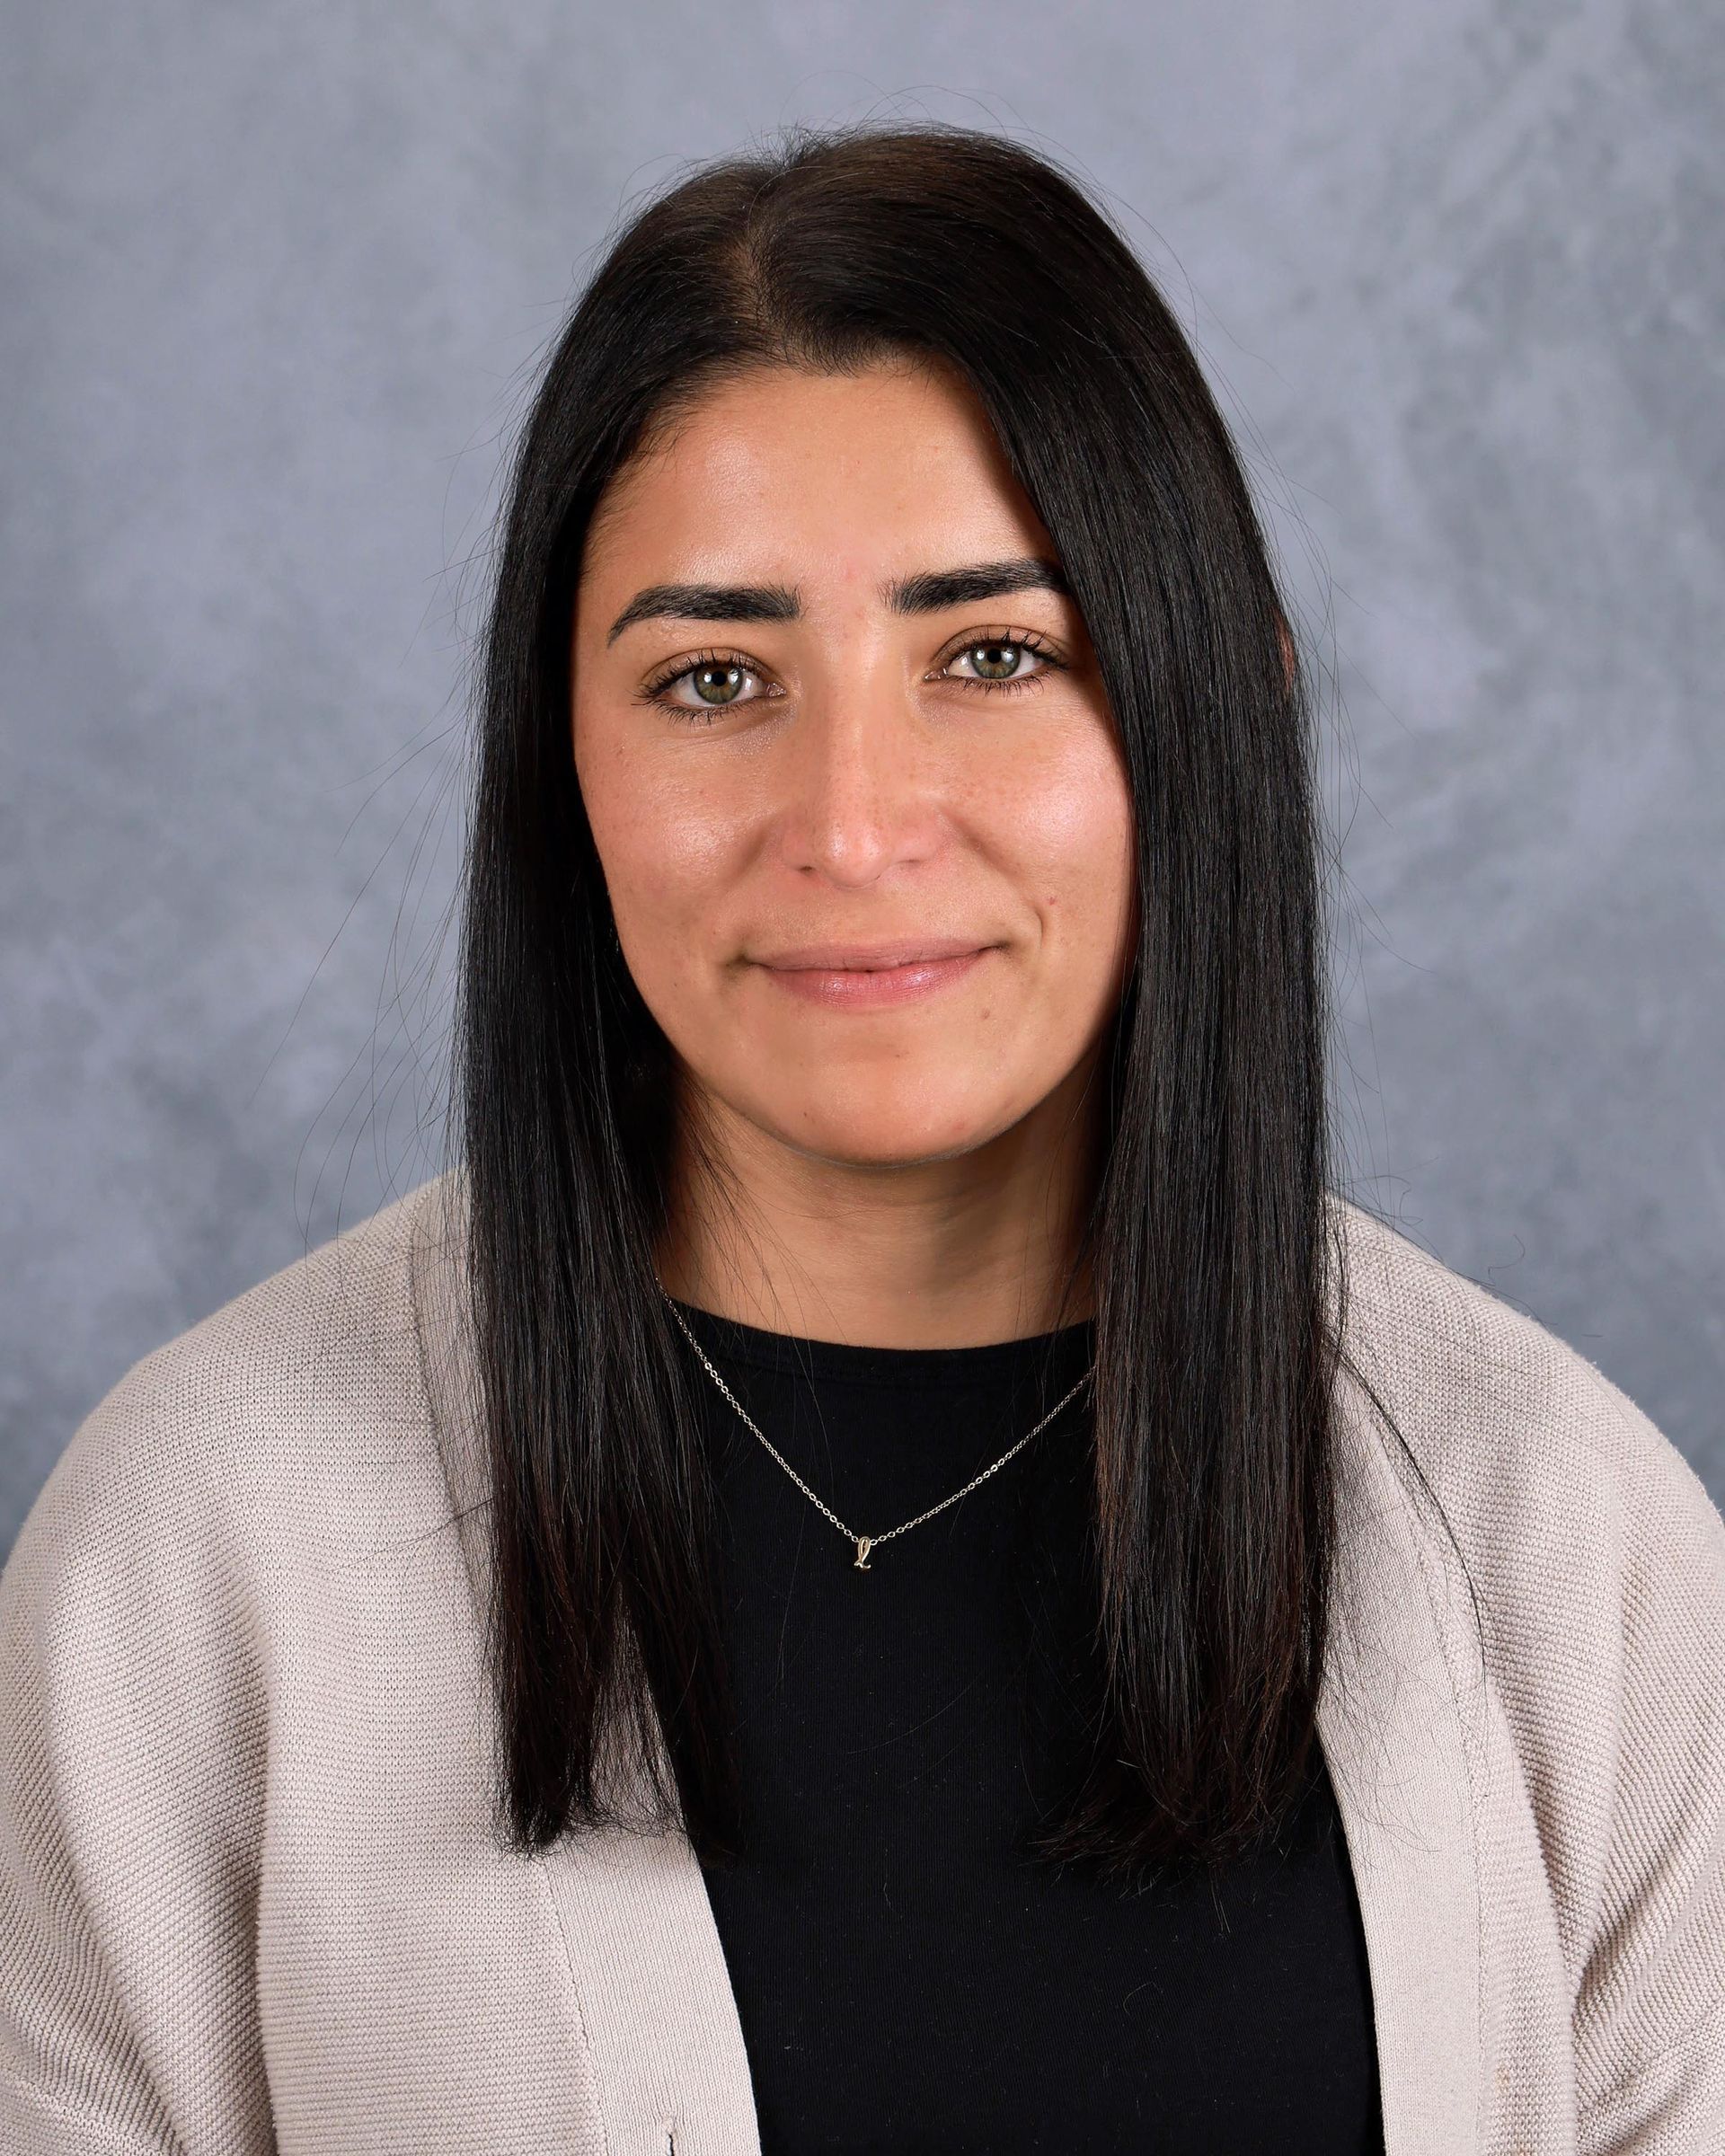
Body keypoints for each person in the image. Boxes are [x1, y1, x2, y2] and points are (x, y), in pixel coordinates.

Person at [3, 120, 1721, 2156]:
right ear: (558, 769)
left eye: (993, 655)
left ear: (1217, 712)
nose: (851, 821)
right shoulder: (203, 1559)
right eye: (714, 678)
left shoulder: (1562, 1546)